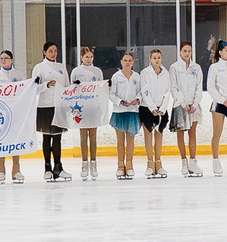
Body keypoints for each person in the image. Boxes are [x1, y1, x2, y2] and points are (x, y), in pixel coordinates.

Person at [31, 42, 70, 183]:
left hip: (58, 105)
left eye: (55, 51)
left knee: (58, 137)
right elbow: (34, 88)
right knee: (47, 137)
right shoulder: (39, 68)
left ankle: (58, 166)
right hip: (45, 105)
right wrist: (46, 85)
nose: (54, 53)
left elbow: (67, 85)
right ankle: (47, 167)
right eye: (50, 51)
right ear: (44, 52)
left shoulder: (61, 67)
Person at [0, 50, 27, 185]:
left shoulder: (19, 74)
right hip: (1, 112)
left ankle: (16, 169)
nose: (3, 60)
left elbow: (25, 90)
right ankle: (1, 169)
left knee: (15, 139)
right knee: (2, 139)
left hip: (15, 111)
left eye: (6, 58)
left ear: (12, 60)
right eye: (1, 58)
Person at [70, 45, 108, 177]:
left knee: (93, 136)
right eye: (86, 57)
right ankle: (84, 163)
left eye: (91, 56)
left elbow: (101, 88)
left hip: (93, 107)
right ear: (81, 57)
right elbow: (72, 89)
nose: (89, 59)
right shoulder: (76, 71)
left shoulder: (97, 71)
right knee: (83, 137)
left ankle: (94, 163)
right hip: (81, 107)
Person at [107, 51, 143, 180]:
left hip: (132, 111)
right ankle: (120, 166)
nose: (127, 62)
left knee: (131, 140)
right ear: (121, 62)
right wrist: (120, 102)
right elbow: (111, 93)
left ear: (133, 62)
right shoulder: (116, 76)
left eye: (130, 60)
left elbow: (141, 92)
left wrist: (137, 100)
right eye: (125, 60)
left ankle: (129, 165)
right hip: (119, 111)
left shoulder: (137, 77)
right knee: (120, 141)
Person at [170, 42, 203, 177]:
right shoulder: (174, 67)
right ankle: (184, 162)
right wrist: (183, 104)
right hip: (180, 105)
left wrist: (195, 104)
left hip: (193, 106)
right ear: (180, 52)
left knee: (192, 134)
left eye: (189, 51)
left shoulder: (196, 67)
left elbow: (199, 87)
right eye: (185, 50)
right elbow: (174, 87)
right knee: (180, 134)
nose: (187, 53)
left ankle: (193, 162)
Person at [139, 48, 172, 180]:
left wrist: (162, 108)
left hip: (161, 109)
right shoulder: (145, 73)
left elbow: (167, 91)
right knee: (148, 136)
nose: (157, 60)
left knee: (159, 135)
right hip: (147, 107)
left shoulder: (166, 73)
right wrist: (152, 107)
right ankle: (150, 164)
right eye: (154, 58)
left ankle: (158, 163)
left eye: (158, 57)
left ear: (161, 58)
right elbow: (144, 91)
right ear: (150, 59)